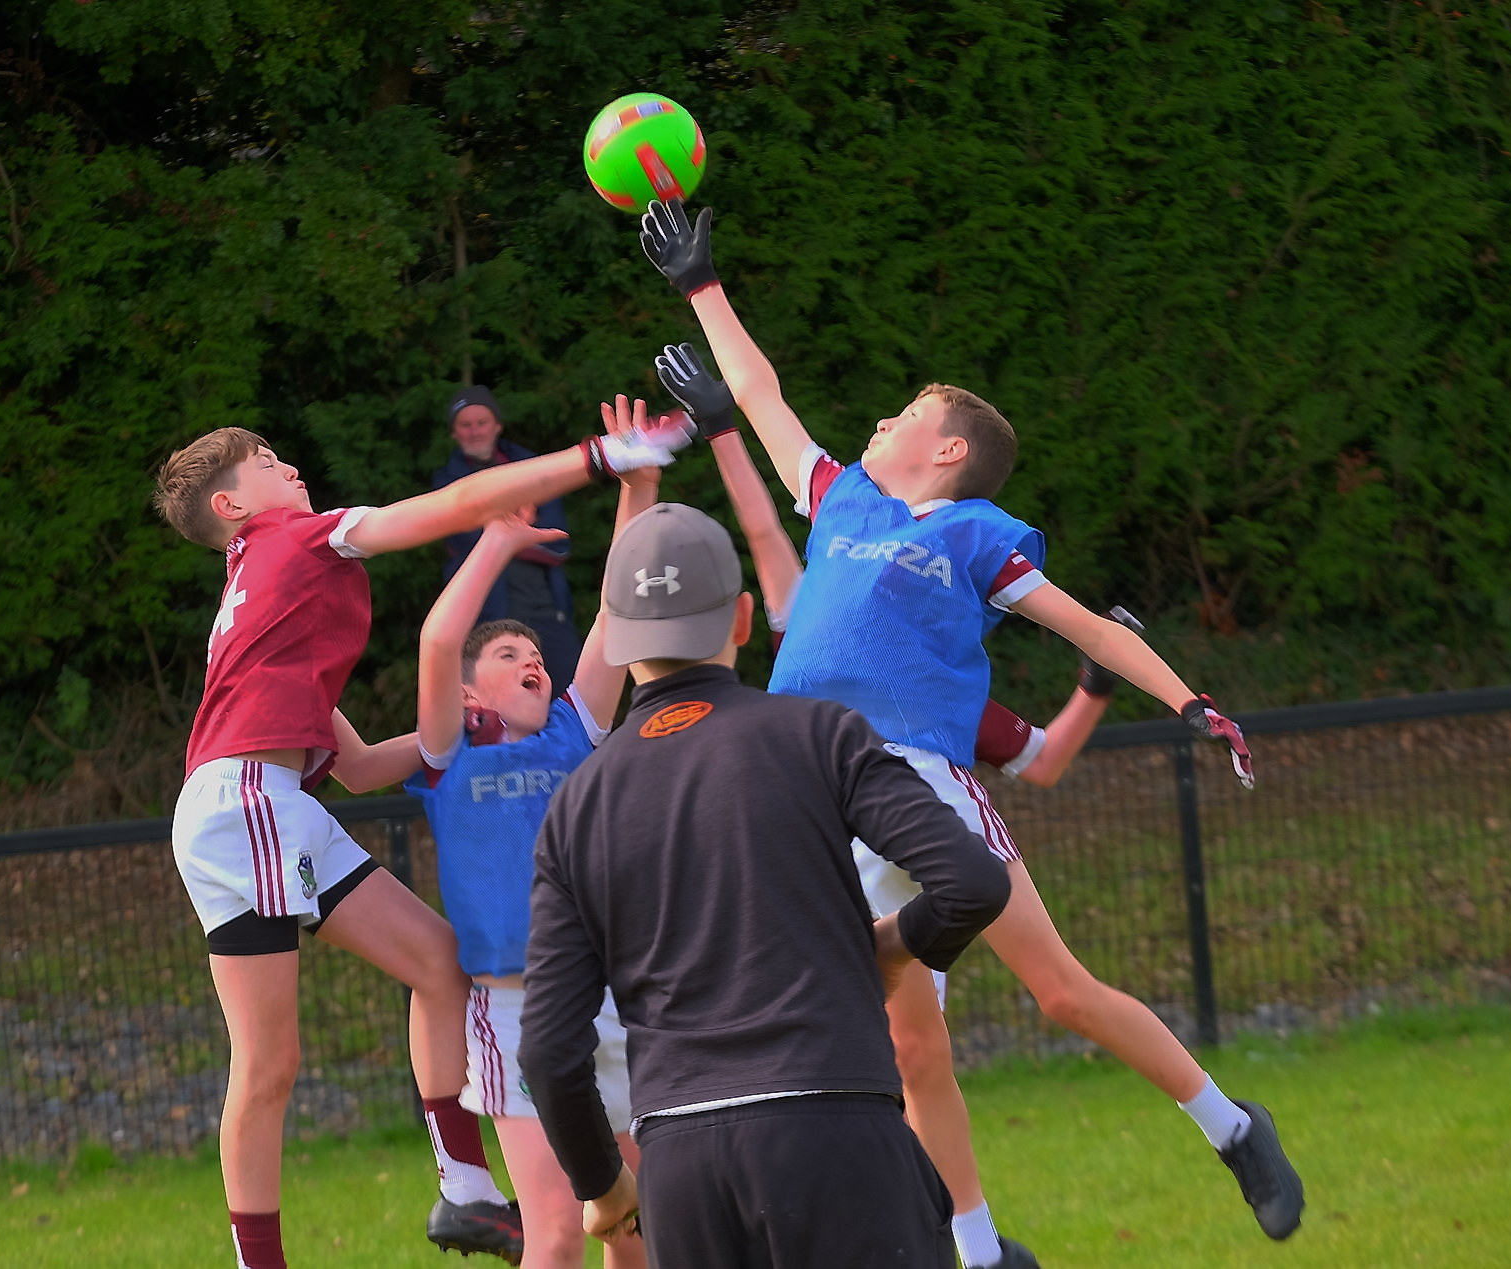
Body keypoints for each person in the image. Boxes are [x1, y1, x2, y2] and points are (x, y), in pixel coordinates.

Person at [639, 199, 1305, 1267]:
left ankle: (1233, 1127)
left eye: (903, 412)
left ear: (945, 449)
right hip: (823, 791)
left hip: (919, 788)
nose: (879, 420)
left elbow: (1087, 626)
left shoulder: (974, 533)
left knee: (1060, 993)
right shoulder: (842, 500)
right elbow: (758, 397)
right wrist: (701, 284)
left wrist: (1190, 701)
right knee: (911, 1047)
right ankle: (983, 1253)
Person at [151, 414, 693, 1269]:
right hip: (247, 800)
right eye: (266, 462)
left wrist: (638, 488)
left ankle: (464, 1185)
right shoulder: (293, 543)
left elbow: (362, 768)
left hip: (270, 801)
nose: (289, 465)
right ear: (230, 505)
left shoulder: (256, 588)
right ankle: (288, 1252)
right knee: (268, 1062)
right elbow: (446, 508)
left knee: (436, 968)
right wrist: (597, 460)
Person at [518, 500, 1014, 1269]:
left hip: (682, 1167)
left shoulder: (577, 803)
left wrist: (605, 1183)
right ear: (744, 618)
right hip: (839, 1130)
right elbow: (973, 880)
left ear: (612, 635)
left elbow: (549, 1048)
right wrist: (892, 946)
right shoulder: (819, 733)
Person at [408, 396, 665, 1269]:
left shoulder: (570, 732)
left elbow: (616, 614)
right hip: (516, 1007)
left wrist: (641, 483)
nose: (531, 660)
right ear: (473, 693)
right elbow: (440, 638)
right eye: (507, 657)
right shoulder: (449, 753)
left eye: (535, 654)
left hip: (613, 991)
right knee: (554, 1229)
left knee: (638, 1215)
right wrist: (496, 539)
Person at [435, 385, 584, 690]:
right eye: (465, 424)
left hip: (548, 611)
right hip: (486, 618)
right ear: (454, 433)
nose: (474, 431)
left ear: (497, 426)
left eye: (482, 422)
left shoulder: (533, 470)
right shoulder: (447, 483)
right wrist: (521, 526)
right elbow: (463, 541)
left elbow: (558, 545)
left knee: (572, 701)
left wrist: (496, 527)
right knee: (498, 709)